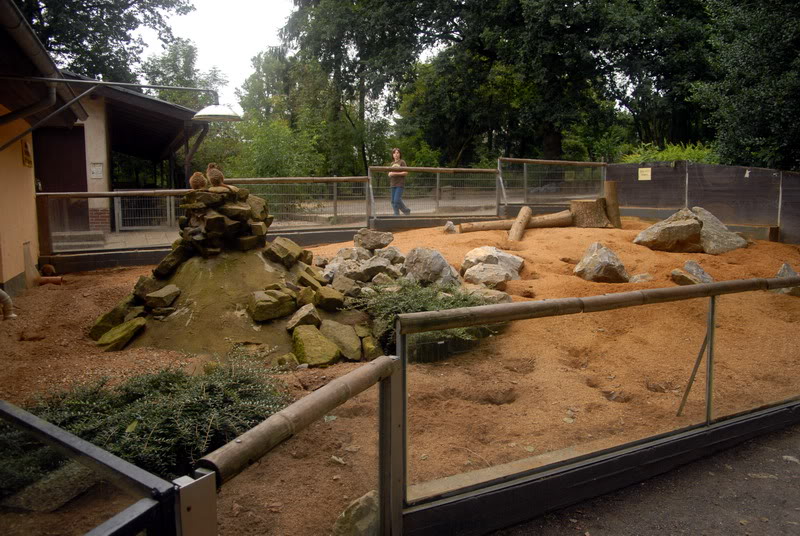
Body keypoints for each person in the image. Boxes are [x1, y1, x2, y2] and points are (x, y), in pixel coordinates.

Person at [388, 148, 411, 215]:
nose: (396, 154)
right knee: (393, 201)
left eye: (397, 153)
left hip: (400, 184)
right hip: (392, 184)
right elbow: (389, 173)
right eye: (394, 153)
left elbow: (406, 172)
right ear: (392, 155)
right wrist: (390, 174)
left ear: (400, 154)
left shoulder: (402, 162)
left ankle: (401, 212)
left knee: (396, 200)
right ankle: (400, 213)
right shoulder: (392, 163)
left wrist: (395, 174)